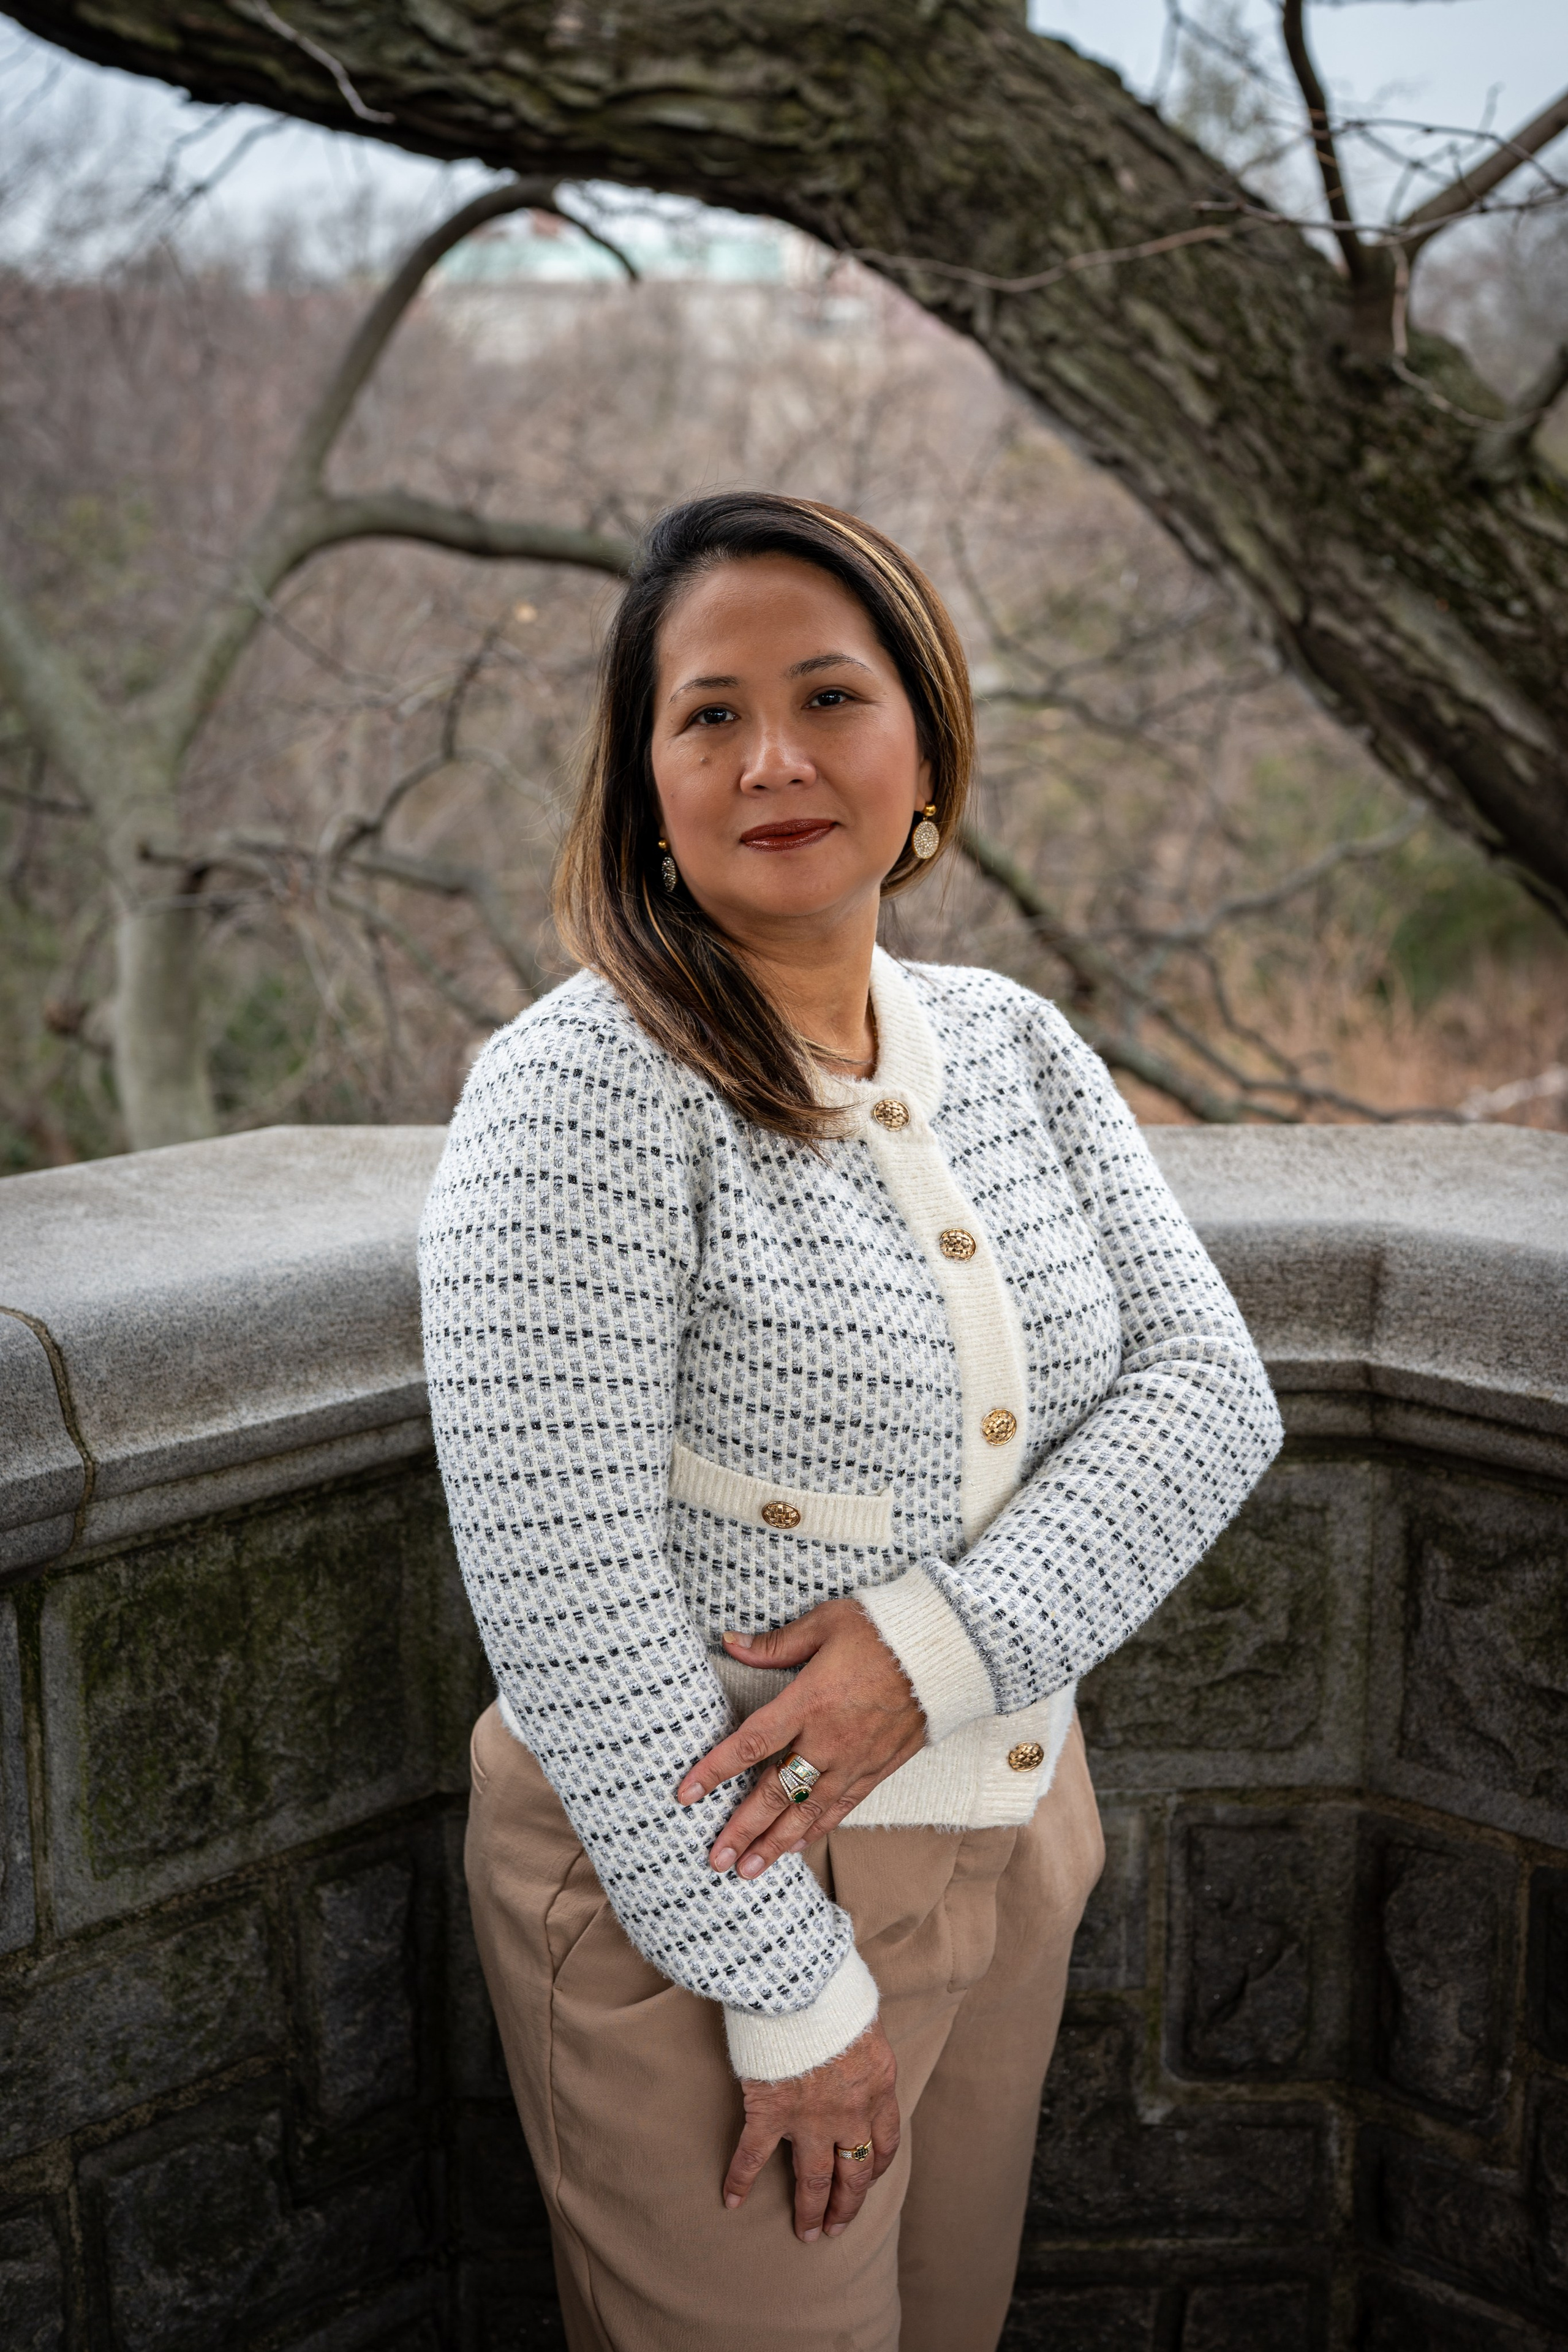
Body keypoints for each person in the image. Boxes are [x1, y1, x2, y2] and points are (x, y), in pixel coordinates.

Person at [419, 490, 1283, 2352]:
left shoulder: (1018, 1045)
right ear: (644, 783)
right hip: (702, 1897)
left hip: (1006, 1838)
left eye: (830, 697)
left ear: (926, 741)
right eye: (709, 714)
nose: (775, 759)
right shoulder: (578, 1090)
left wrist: (935, 1650)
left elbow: (1213, 1395)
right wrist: (783, 1985)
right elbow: (564, 1596)